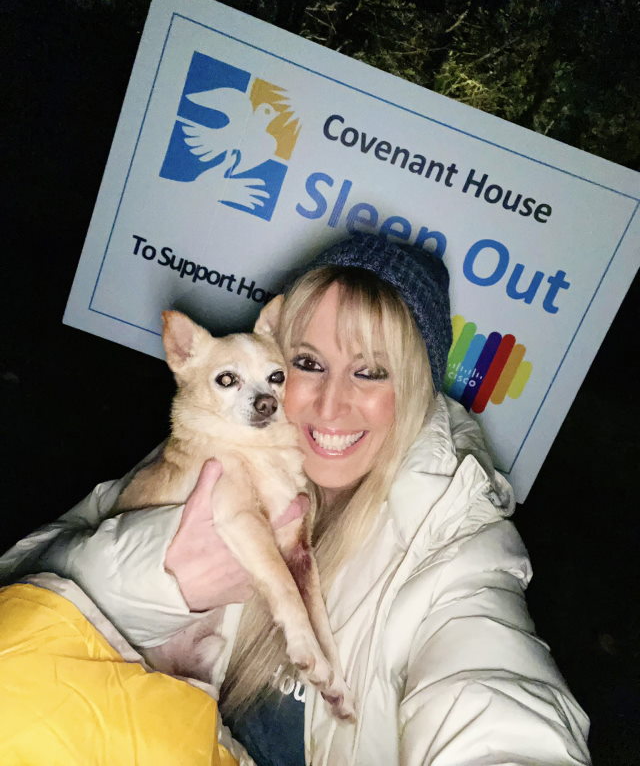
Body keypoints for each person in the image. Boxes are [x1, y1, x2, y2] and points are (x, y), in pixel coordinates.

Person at [0, 233, 591, 765]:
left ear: (413, 389)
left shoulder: (451, 540)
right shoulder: (213, 447)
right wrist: (158, 577)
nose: (331, 405)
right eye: (308, 363)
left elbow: (494, 694)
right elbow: (22, 583)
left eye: (373, 372)